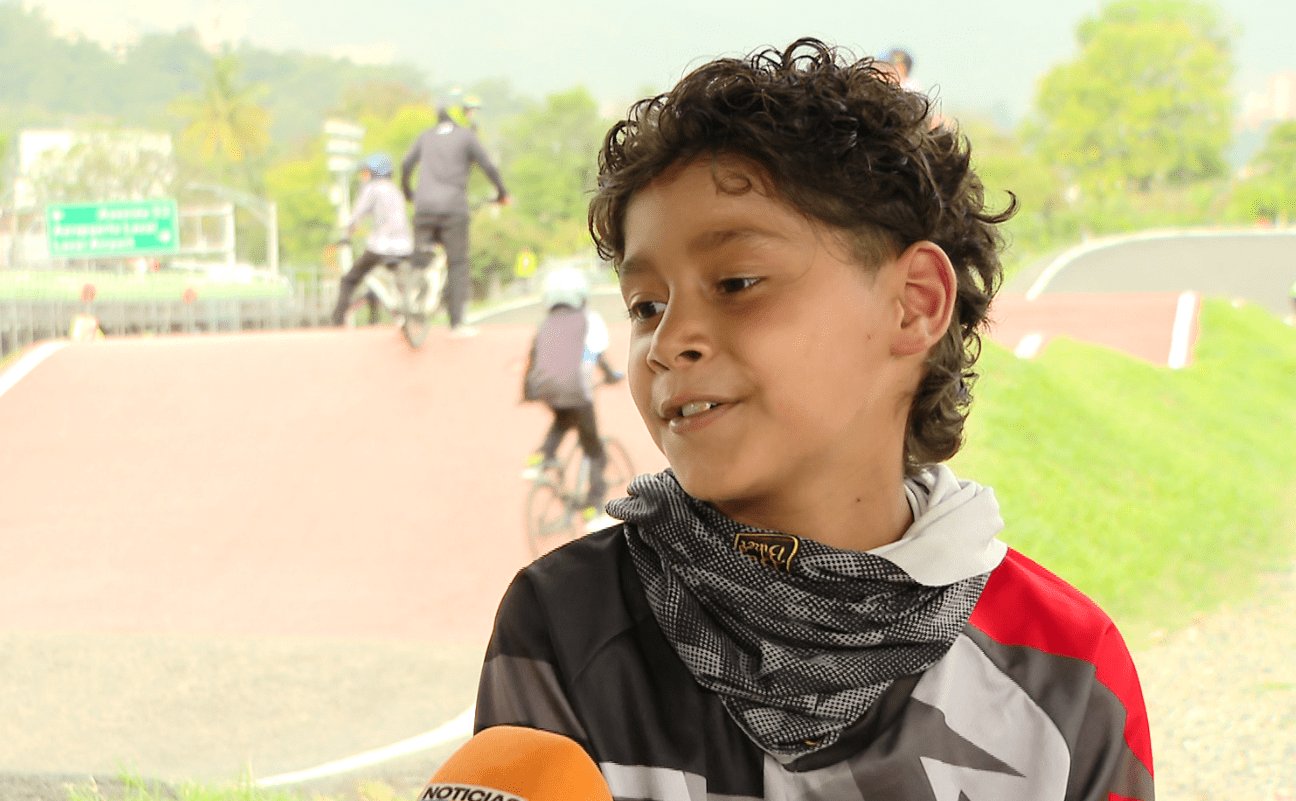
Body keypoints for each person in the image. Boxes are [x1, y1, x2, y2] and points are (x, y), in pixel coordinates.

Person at [474, 38, 1154, 800]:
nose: (669, 343)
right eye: (645, 306)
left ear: (915, 303)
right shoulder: (564, 625)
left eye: (736, 281)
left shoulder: (1066, 667)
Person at [521, 267, 624, 531]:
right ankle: (593, 510)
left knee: (562, 421)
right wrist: (612, 376)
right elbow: (597, 355)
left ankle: (540, 459)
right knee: (595, 451)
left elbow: (534, 359)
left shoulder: (545, 324)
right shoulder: (588, 320)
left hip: (545, 391)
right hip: (576, 391)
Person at [401, 94, 509, 337]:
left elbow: (406, 165)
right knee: (458, 262)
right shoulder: (466, 137)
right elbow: (488, 166)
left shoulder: (425, 137)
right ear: (459, 113)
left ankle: (408, 309)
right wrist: (502, 192)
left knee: (419, 258)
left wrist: (409, 193)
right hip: (453, 209)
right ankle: (457, 322)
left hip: (423, 207)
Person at [330, 153, 414, 326]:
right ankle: (397, 312)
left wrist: (346, 234)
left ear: (376, 172)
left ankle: (337, 321)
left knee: (349, 280)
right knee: (394, 279)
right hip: (405, 246)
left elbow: (357, 215)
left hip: (381, 246)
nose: (364, 177)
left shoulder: (373, 188)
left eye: (366, 173)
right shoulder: (395, 190)